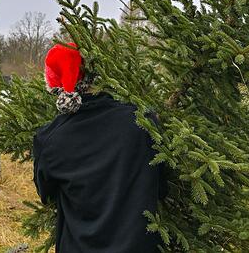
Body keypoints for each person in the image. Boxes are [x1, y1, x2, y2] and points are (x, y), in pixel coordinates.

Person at [33, 43, 166, 252]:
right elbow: (162, 187)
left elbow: (47, 195)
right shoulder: (143, 123)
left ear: (57, 88)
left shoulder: (50, 138)